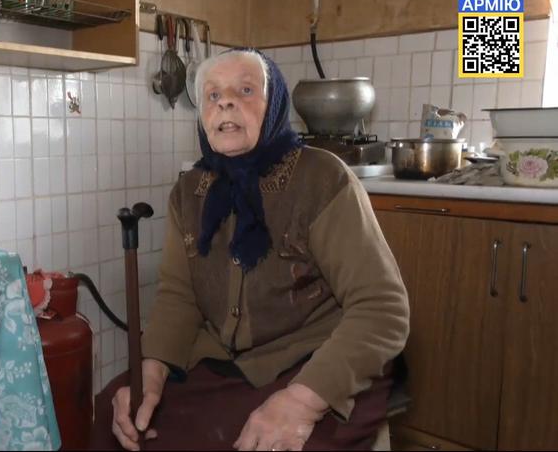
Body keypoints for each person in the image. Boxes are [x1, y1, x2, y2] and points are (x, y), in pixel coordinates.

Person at [90, 48, 410, 451]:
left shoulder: (322, 179)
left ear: (274, 105)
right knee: (115, 415)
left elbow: (382, 309)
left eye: (244, 90)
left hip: (315, 361)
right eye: (213, 95)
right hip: (225, 362)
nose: (225, 102)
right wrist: (150, 370)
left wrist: (301, 403)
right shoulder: (190, 191)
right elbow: (178, 297)